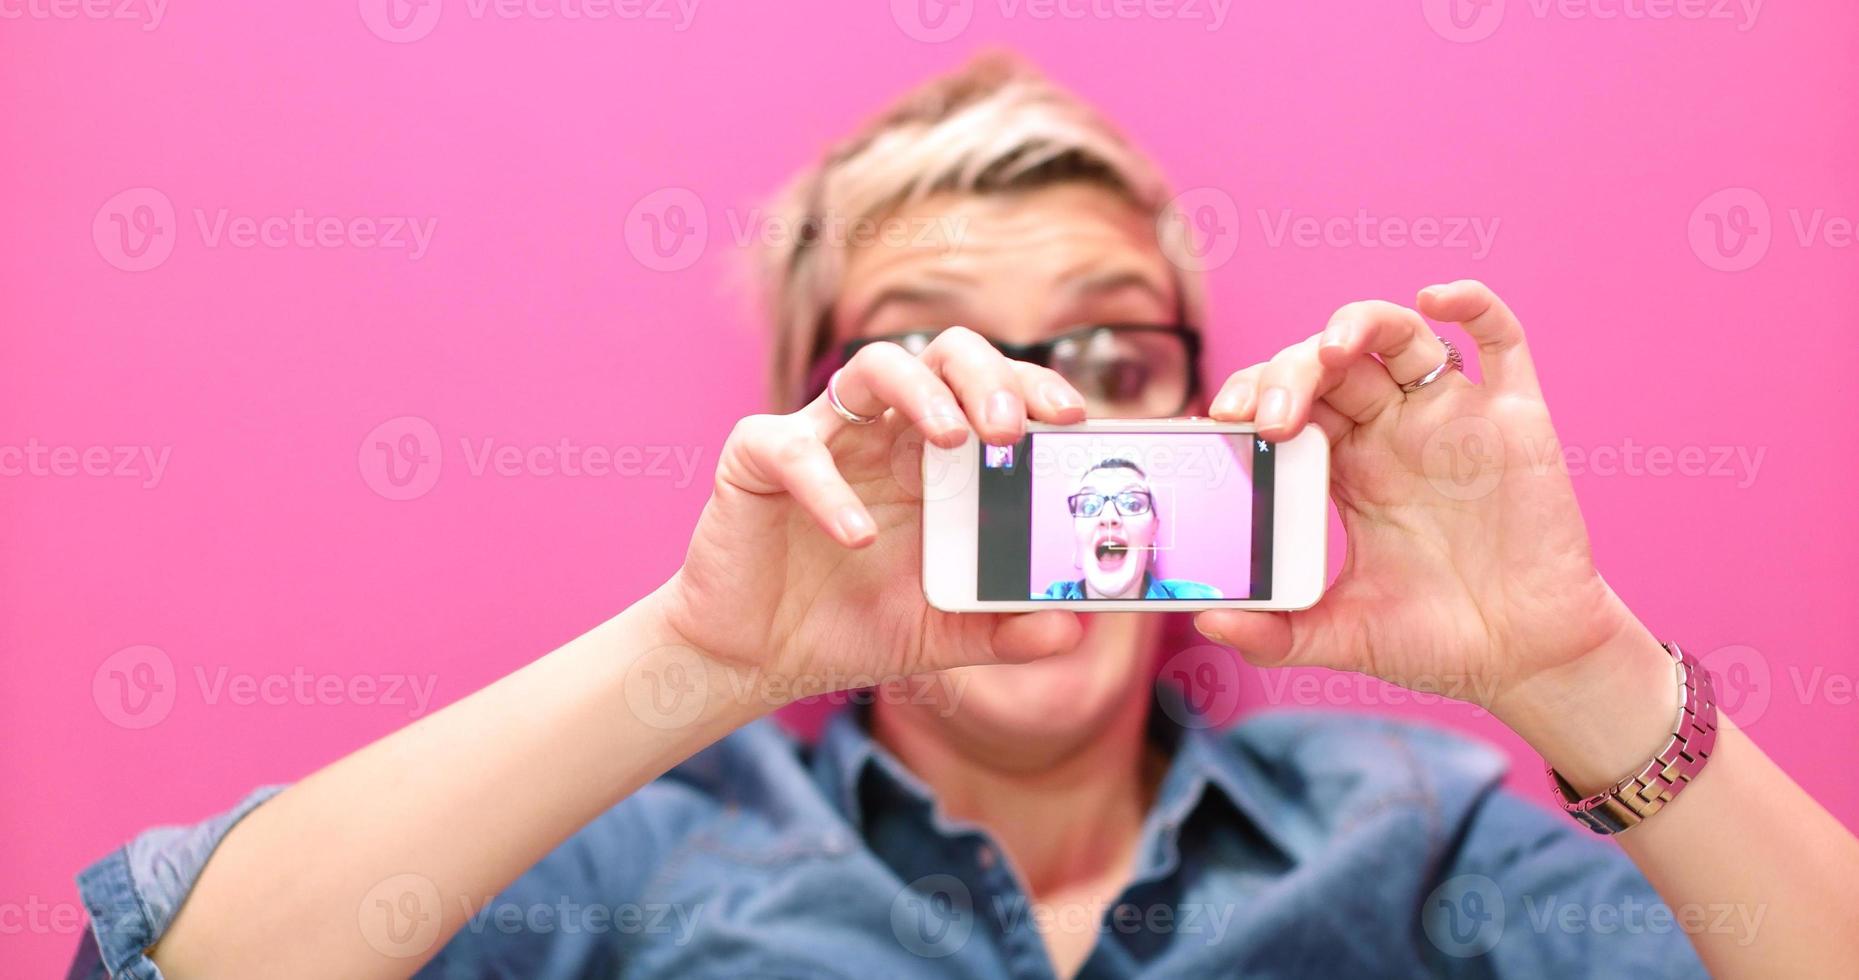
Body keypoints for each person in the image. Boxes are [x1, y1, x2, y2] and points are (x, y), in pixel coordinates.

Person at [71, 53, 1859, 980]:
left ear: (1204, 415)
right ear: (817, 435)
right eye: (932, 358)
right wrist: (694, 656)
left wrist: (1582, 672)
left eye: (1106, 345)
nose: (1040, 415)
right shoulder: (634, 858)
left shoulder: (1421, 845)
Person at [1038, 457, 1222, 600]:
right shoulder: (1040, 609)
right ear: (1076, 529)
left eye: (1132, 504)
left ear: (1153, 529)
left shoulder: (1201, 601)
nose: (1109, 517)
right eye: (1089, 506)